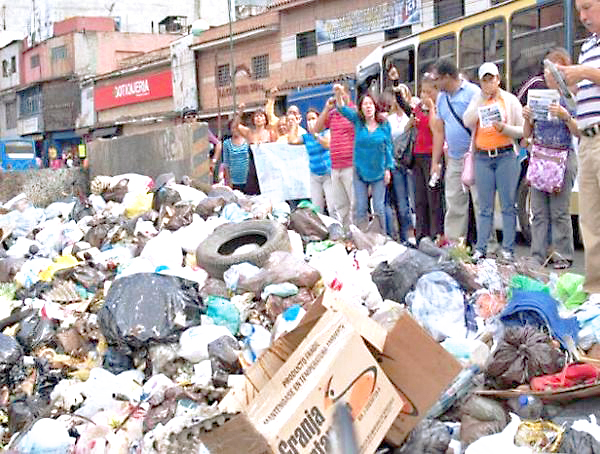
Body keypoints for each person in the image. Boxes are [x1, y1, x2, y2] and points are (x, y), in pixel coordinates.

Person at [557, 0, 600, 292]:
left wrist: (583, 73)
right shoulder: (588, 46)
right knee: (590, 220)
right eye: (579, 11)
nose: (583, 16)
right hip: (586, 139)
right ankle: (595, 289)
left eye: (588, 8)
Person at [522, 49, 578, 269]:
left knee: (559, 211)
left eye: (553, 71)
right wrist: (528, 118)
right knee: (538, 211)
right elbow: (527, 133)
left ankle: (563, 254)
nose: (548, 75)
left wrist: (565, 116)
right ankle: (538, 254)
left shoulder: (570, 98)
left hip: (563, 157)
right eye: (547, 71)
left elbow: (579, 131)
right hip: (540, 158)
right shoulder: (538, 97)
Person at [463, 62, 524, 261]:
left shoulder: (510, 100)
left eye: (492, 79)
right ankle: (482, 247)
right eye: (485, 80)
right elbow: (467, 121)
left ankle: (508, 248)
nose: (489, 83)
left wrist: (504, 128)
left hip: (506, 155)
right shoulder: (477, 99)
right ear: (480, 82)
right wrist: (481, 102)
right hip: (482, 157)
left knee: (507, 204)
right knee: (485, 206)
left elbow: (523, 130)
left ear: (498, 79)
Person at [432, 59, 481, 245]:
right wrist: (436, 162)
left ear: (447, 77)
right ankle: (454, 246)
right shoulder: (441, 98)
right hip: (453, 158)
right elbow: (439, 130)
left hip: (475, 157)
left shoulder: (473, 93)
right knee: (454, 204)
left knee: (479, 203)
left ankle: (488, 247)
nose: (435, 84)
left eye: (437, 79)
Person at [334, 84, 393, 230]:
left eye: (370, 104)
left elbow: (389, 148)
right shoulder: (358, 122)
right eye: (364, 104)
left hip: (379, 171)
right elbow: (342, 108)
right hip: (360, 170)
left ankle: (382, 236)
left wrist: (388, 168)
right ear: (360, 108)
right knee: (361, 206)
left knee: (379, 207)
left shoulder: (384, 124)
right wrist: (338, 94)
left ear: (375, 106)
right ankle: (362, 237)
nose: (368, 107)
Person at [315, 81, 356, 227]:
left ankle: (357, 232)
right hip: (335, 166)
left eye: (341, 93)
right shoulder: (332, 114)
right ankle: (346, 233)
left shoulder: (354, 111)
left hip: (350, 165)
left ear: (348, 94)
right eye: (336, 93)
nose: (339, 96)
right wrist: (326, 108)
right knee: (341, 205)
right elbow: (316, 128)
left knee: (354, 204)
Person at [412, 74, 445, 242]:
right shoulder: (417, 108)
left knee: (434, 198)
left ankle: (435, 234)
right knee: (419, 197)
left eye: (427, 92)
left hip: (433, 155)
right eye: (422, 92)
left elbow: (435, 129)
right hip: (418, 155)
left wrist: (431, 108)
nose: (424, 96)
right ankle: (421, 235)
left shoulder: (439, 108)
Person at [288, 108, 334, 214]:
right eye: (308, 120)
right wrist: (294, 124)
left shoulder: (326, 132)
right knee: (317, 208)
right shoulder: (306, 137)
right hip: (314, 175)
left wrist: (316, 135)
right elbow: (291, 141)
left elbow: (327, 144)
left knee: (332, 206)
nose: (310, 122)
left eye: (313, 119)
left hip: (328, 174)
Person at [382, 88, 413, 242]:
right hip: (393, 164)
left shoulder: (411, 116)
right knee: (396, 203)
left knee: (407, 203)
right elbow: (387, 142)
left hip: (408, 164)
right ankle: (400, 237)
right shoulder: (389, 119)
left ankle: (411, 236)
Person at [231, 103, 273, 195]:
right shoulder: (249, 133)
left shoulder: (270, 133)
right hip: (253, 169)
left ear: (265, 119)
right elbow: (235, 126)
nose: (258, 118)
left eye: (261, 116)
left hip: (267, 169)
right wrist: (240, 112)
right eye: (256, 116)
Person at [222, 119, 250, 192]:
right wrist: (228, 181)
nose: (235, 130)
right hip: (234, 181)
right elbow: (226, 163)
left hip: (248, 179)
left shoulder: (248, 141)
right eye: (233, 128)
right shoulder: (226, 143)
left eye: (237, 127)